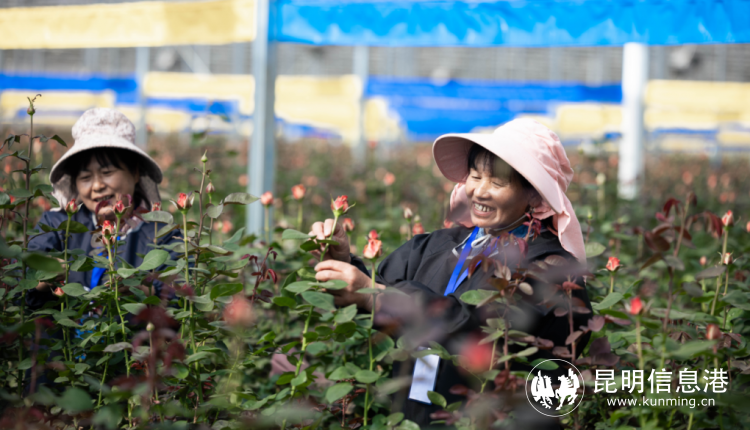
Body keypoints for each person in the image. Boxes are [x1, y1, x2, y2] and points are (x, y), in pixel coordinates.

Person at [311, 119, 592, 426]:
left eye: (497, 183)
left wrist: (377, 297)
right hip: (413, 415)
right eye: (475, 176)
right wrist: (344, 262)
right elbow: (376, 289)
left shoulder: (551, 267)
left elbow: (480, 328)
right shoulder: (438, 246)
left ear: (535, 196)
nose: (479, 191)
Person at [27, 107, 180, 309]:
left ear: (135, 173)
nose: (97, 186)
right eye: (85, 177)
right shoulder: (57, 226)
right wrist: (43, 277)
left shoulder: (163, 235)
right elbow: (19, 289)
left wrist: (142, 290)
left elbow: (182, 300)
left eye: (107, 172)